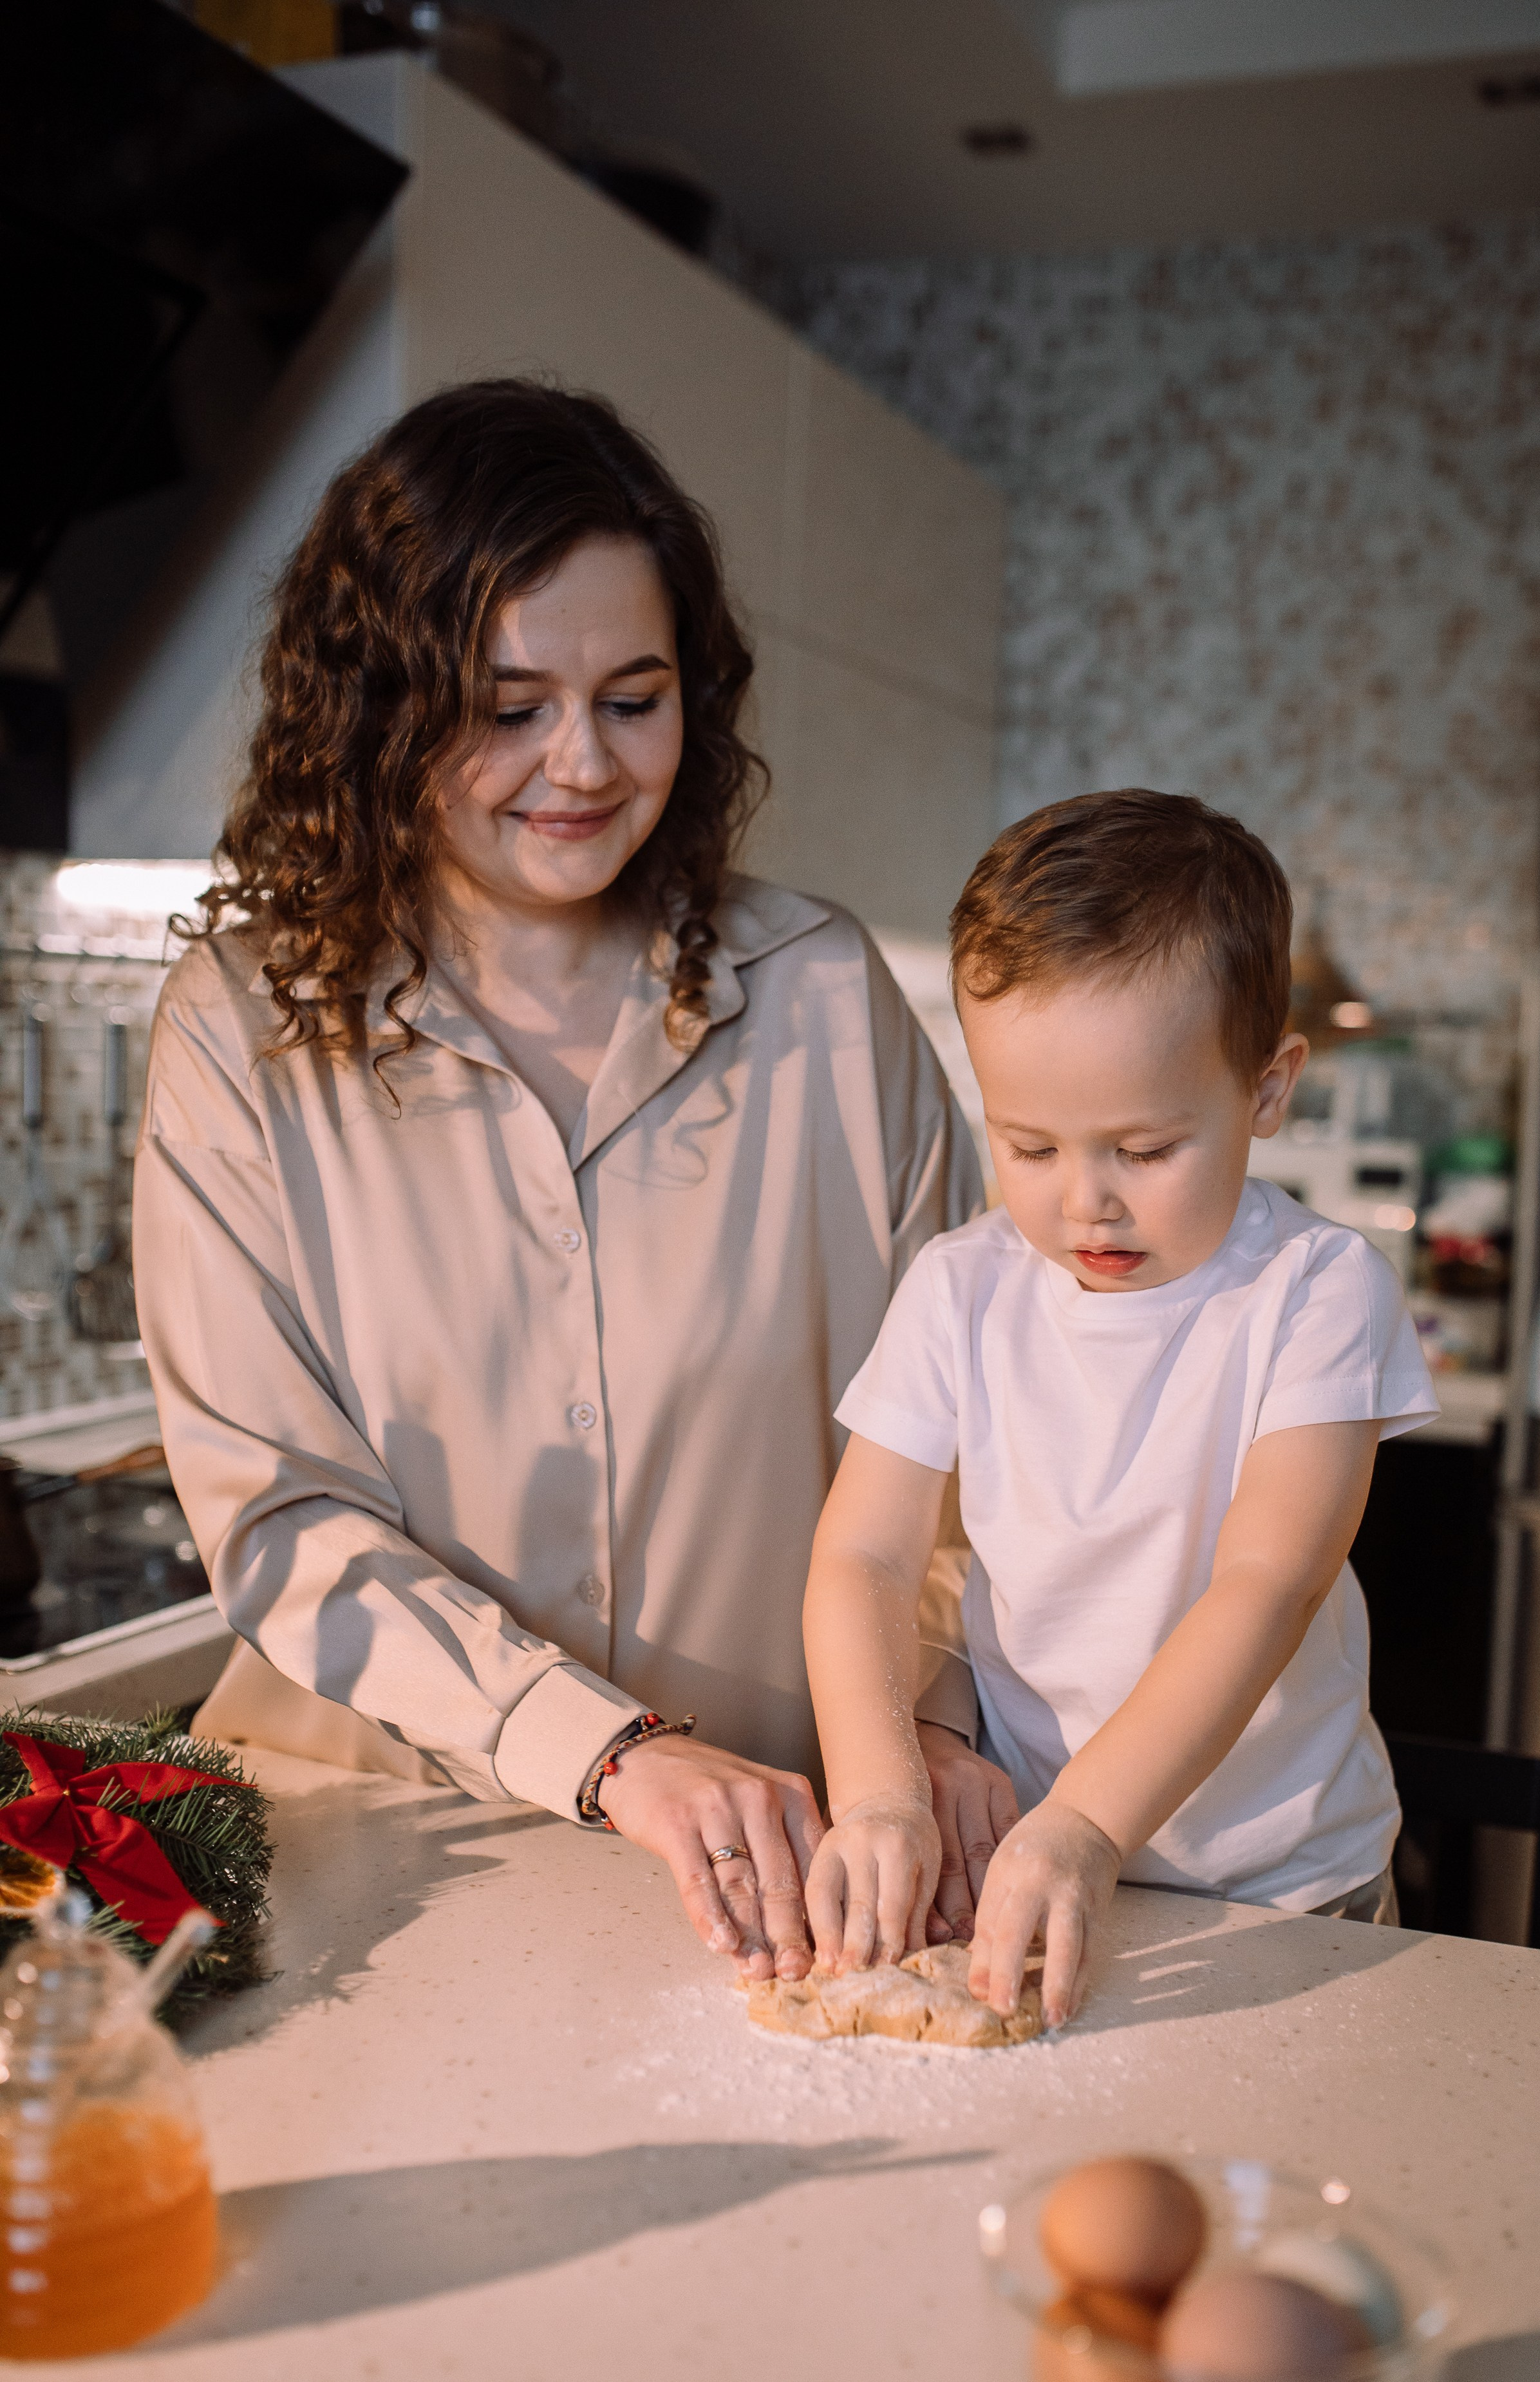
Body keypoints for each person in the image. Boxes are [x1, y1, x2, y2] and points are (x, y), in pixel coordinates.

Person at [133, 378, 998, 1983]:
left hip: (768, 1874)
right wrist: (602, 1749)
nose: (582, 764)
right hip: (385, 1864)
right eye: (509, 704)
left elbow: (962, 1449)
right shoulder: (243, 1032)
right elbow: (280, 1519)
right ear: (384, 707)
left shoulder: (821, 999)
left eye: (633, 695)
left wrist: (931, 1722)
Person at [801, 790, 1438, 2029]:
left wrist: (1089, 1820)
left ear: (1267, 1089)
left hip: (1280, 1889)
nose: (1085, 1202)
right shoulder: (962, 1289)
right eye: (1029, 1147)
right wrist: (881, 1790)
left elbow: (1266, 1583)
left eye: (1142, 1151)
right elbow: (865, 1554)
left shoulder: (1317, 1293)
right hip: (1023, 1869)